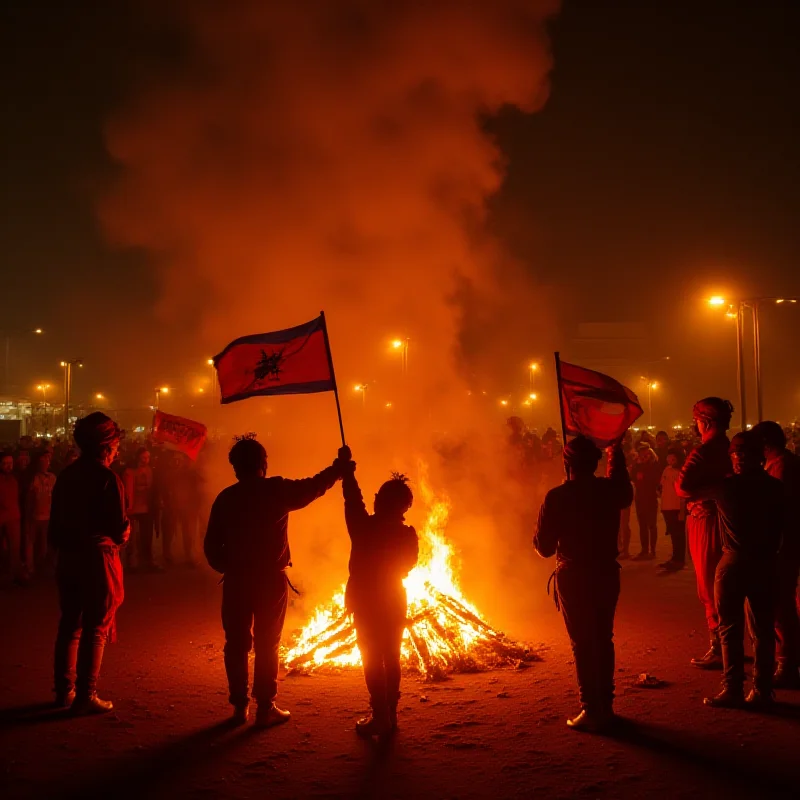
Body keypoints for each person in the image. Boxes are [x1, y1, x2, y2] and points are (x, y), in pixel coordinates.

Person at [204, 436, 344, 727]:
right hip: (269, 580)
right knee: (268, 643)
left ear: (235, 468)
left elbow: (211, 547)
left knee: (237, 643)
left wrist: (230, 567)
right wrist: (338, 469)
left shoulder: (226, 498)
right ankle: (265, 707)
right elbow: (313, 486)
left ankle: (239, 707)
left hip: (237, 581)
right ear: (263, 463)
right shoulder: (276, 489)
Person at [534, 435, 633, 732]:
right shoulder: (610, 492)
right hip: (605, 573)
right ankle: (606, 705)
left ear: (567, 464)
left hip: (574, 576)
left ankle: (592, 708)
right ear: (595, 463)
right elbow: (623, 488)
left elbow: (544, 548)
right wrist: (616, 452)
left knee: (583, 643)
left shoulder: (557, 497)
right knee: (603, 638)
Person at [337, 447, 419, 738]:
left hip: (365, 599)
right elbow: (409, 565)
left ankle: (380, 715)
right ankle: (391, 715)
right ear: (404, 507)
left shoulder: (363, 527)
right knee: (391, 655)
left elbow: (352, 500)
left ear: (379, 501)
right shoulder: (408, 535)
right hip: (395, 599)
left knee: (372, 657)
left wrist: (347, 472)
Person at [49, 413, 129, 713]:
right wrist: (123, 534)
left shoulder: (67, 475)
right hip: (97, 560)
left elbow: (55, 524)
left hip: (69, 558)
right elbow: (118, 528)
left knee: (70, 624)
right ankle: (86, 696)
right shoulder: (107, 479)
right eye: (116, 444)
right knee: (95, 627)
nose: (118, 451)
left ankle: (63, 692)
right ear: (106, 447)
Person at [704, 432, 784, 708]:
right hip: (765, 562)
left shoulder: (726, 488)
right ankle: (762, 691)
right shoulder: (777, 488)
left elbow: (686, 485)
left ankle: (733, 688)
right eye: (735, 453)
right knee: (762, 630)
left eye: (740, 454)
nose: (737, 458)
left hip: (734, 562)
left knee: (730, 628)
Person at [676, 397, 733, 669]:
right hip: (731, 522)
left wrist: (704, 492)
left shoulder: (703, 451)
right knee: (728, 586)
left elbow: (682, 486)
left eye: (698, 420)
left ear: (706, 422)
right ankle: (730, 645)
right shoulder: (732, 448)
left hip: (706, 521)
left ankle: (719, 647)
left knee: (709, 587)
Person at [752, 421, 800, 688]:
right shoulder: (783, 463)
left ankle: (787, 663)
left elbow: (781, 511)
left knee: (782, 604)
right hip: (785, 544)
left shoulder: (782, 467)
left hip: (783, 546)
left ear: (766, 445)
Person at [161, 452, 202, 567]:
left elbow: (197, 489)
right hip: (171, 507)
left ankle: (189, 555)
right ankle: (167, 556)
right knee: (169, 532)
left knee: (188, 533)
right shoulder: (167, 474)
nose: (177, 462)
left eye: (179, 460)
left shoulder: (190, 473)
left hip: (186, 507)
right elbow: (162, 490)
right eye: (174, 460)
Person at [123, 447, 159, 572]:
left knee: (147, 536)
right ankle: (132, 562)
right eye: (144, 457)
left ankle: (147, 561)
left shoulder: (150, 471)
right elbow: (128, 491)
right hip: (132, 509)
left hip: (146, 509)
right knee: (132, 537)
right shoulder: (129, 472)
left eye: (148, 457)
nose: (146, 460)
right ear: (138, 457)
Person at [25, 450, 57, 577]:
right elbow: (28, 498)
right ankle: (30, 568)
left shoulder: (53, 478)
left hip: (48, 516)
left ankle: (42, 567)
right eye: (43, 460)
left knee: (44, 545)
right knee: (30, 542)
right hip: (34, 516)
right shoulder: (33, 478)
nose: (45, 463)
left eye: (47, 460)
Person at [658, 448, 686, 571]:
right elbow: (662, 485)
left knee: (678, 535)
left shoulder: (681, 472)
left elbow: (683, 493)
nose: (670, 460)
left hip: (676, 507)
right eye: (669, 457)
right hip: (667, 507)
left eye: (673, 458)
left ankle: (679, 559)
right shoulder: (666, 470)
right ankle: (674, 558)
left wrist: (682, 511)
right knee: (673, 535)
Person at [631, 444, 661, 560]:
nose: (643, 456)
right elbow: (633, 476)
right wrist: (637, 467)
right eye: (641, 453)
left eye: (645, 453)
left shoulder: (654, 464)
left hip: (650, 497)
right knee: (642, 525)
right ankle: (644, 550)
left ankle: (652, 551)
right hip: (640, 498)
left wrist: (644, 475)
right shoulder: (637, 465)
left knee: (652, 524)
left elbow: (655, 479)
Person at [0, 452, 22, 586]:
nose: (9, 466)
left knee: (14, 548)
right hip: (2, 519)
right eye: (6, 463)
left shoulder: (14, 478)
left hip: (13, 517)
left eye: (11, 463)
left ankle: (14, 574)